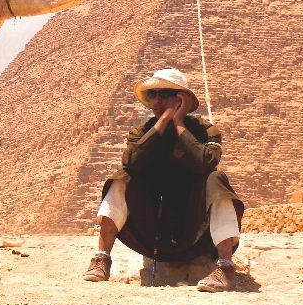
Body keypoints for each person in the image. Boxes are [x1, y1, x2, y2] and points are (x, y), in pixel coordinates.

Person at [83, 68, 243, 292]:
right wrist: (163, 122)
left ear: (180, 99)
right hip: (154, 233)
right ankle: (101, 259)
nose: (155, 100)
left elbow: (206, 162)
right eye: (152, 95)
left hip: (195, 231)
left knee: (217, 179)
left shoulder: (205, 131)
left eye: (163, 94)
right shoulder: (141, 132)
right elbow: (131, 161)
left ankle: (225, 268)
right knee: (122, 177)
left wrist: (178, 123)